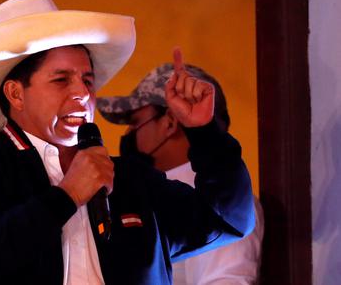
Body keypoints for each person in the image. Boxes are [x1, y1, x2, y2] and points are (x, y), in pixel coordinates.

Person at [0, 0, 255, 284]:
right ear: (16, 93)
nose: (82, 93)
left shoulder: (128, 178)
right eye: (61, 80)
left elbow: (229, 221)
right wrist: (67, 196)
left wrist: (205, 133)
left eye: (87, 79)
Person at [98, 63, 265, 284]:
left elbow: (225, 280)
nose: (129, 134)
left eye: (136, 122)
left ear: (169, 122)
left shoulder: (215, 203)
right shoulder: (149, 193)